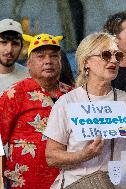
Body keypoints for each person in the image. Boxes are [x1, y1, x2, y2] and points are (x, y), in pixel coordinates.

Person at [44, 32, 126, 189]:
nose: (113, 60)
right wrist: (85, 155)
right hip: (79, 184)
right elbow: (51, 156)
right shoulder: (67, 102)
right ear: (86, 62)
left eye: (117, 55)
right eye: (106, 55)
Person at [0, 33, 72, 189]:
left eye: (54, 56)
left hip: (68, 180)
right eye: (41, 56)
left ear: (60, 62)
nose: (48, 61)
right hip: (25, 182)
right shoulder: (14, 94)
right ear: (29, 63)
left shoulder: (72, 95)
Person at [0, 18, 29, 95]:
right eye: (4, 42)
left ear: (21, 47)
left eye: (15, 44)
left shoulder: (29, 77)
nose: (9, 50)